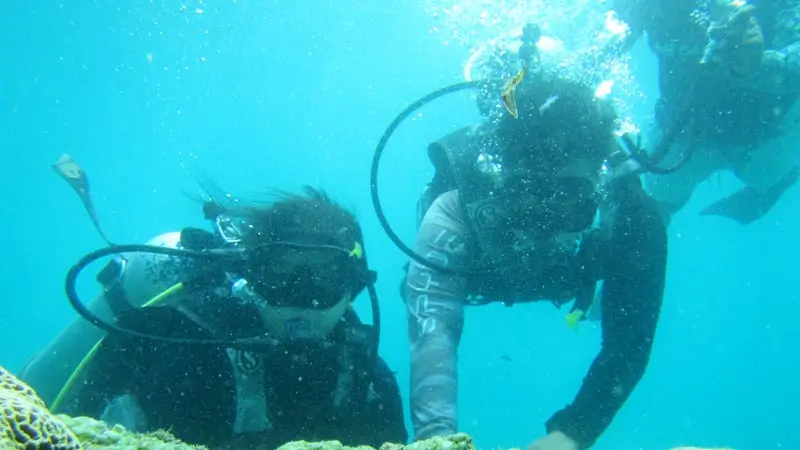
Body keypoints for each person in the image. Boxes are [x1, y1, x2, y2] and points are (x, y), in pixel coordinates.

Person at [19, 187, 407, 449]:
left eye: (324, 278)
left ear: (353, 287)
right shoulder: (185, 345)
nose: (301, 299)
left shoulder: (366, 378)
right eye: (281, 275)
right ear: (253, 276)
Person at [401, 68, 667, 450]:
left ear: (599, 182)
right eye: (526, 203)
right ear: (500, 178)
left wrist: (572, 434)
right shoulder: (457, 210)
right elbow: (433, 328)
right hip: (476, 268)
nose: (542, 229)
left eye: (567, 202)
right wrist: (436, 438)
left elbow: (630, 345)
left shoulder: (630, 217)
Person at [609, 0, 800, 224]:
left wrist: (765, 64)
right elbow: (602, 36)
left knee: (771, 179)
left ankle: (770, 188)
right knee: (657, 202)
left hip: (764, 132)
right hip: (684, 128)